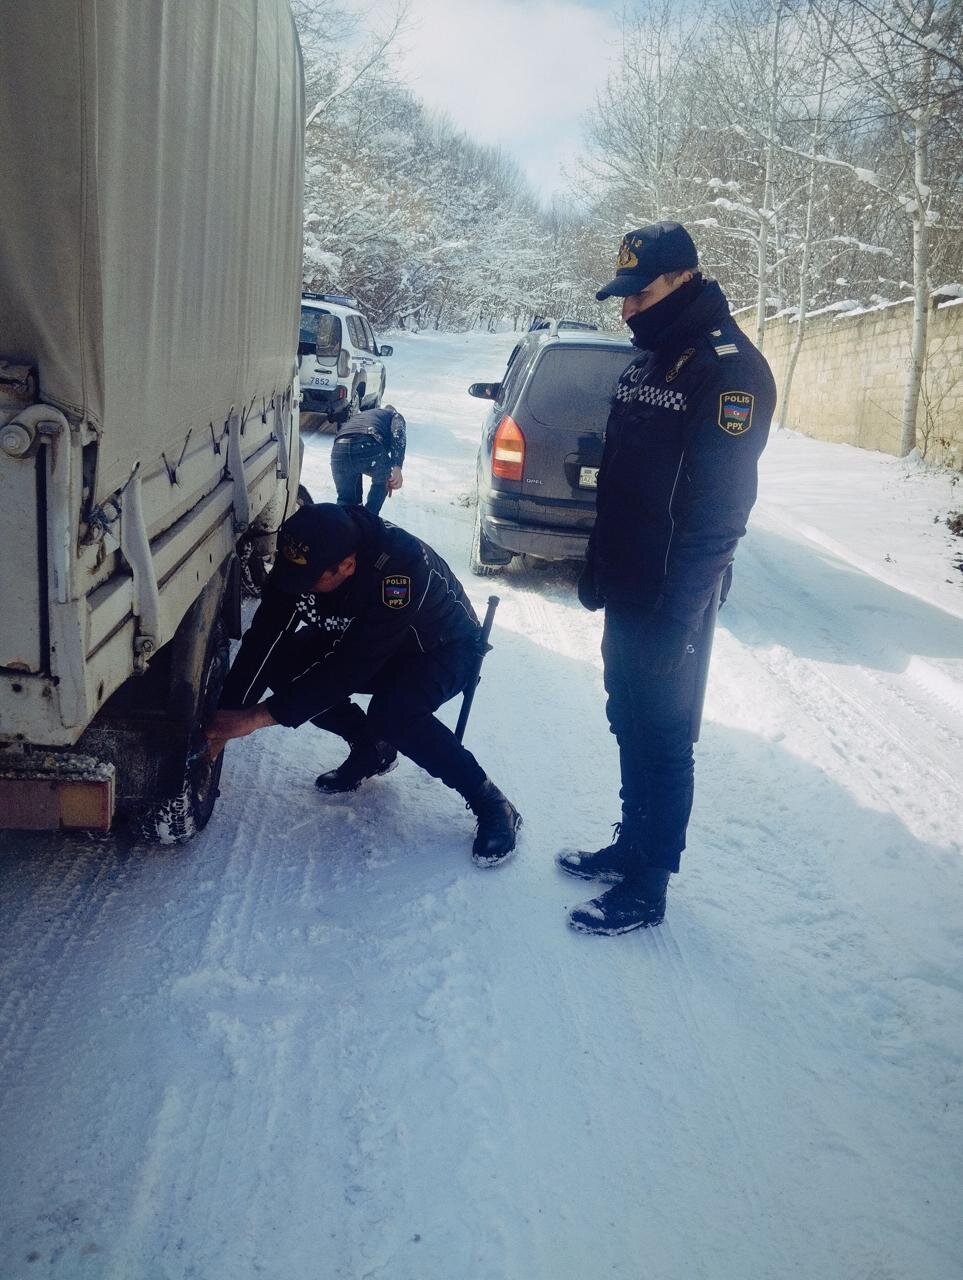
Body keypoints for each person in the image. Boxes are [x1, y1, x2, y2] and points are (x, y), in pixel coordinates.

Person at [560, 221, 775, 935]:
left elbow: (720, 512)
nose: (625, 308)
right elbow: (626, 477)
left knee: (662, 733)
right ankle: (631, 842)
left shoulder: (727, 369)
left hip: (671, 596)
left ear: (684, 280)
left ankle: (649, 883)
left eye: (639, 292)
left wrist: (678, 618)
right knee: (626, 716)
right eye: (621, 294)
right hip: (627, 583)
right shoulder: (650, 359)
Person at [204, 502, 520, 867]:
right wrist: (227, 719)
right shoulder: (310, 552)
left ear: (347, 566)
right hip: (367, 639)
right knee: (284, 662)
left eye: (308, 584)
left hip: (441, 648)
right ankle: (372, 749)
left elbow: (349, 668)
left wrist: (260, 716)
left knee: (393, 712)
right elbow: (264, 639)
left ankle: (492, 802)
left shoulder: (399, 570)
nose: (297, 590)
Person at [330, 403, 406, 515]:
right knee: (380, 486)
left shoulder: (363, 415)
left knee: (346, 503)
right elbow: (398, 432)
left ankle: (346, 524)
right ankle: (369, 518)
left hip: (339, 449)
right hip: (368, 442)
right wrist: (396, 466)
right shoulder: (394, 415)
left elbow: (354, 461)